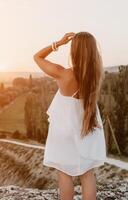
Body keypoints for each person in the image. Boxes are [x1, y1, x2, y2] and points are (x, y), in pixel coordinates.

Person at [33, 32, 107, 200]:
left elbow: (37, 57)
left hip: (63, 128)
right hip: (87, 126)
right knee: (87, 173)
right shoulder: (95, 76)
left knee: (64, 173)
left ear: (74, 51)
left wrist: (58, 43)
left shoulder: (62, 73)